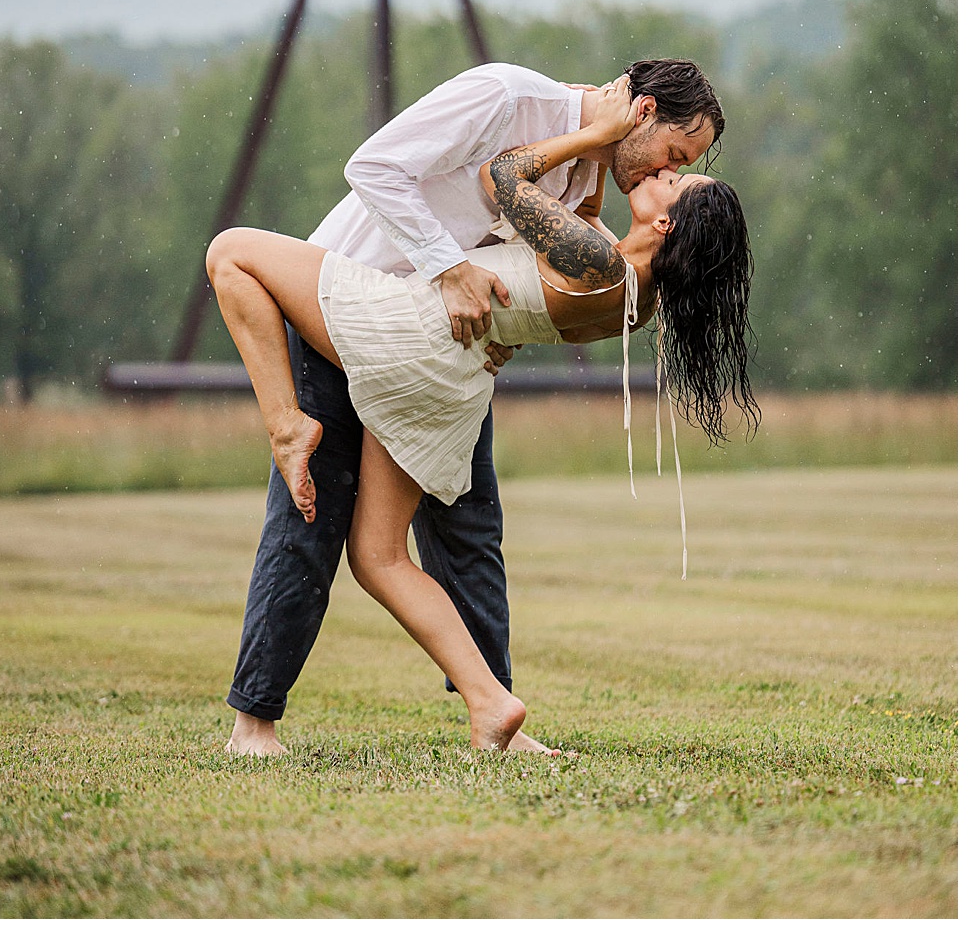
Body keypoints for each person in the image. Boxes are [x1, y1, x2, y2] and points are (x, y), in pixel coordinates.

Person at [207, 75, 758, 749]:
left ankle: (286, 424)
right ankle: (490, 704)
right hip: (452, 365)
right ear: (644, 111)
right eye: (676, 156)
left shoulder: (598, 251)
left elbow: (504, 182)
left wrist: (594, 138)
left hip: (406, 331)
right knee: (378, 556)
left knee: (230, 253)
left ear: (666, 223)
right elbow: (529, 269)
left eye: (677, 177)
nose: (669, 170)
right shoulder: (635, 294)